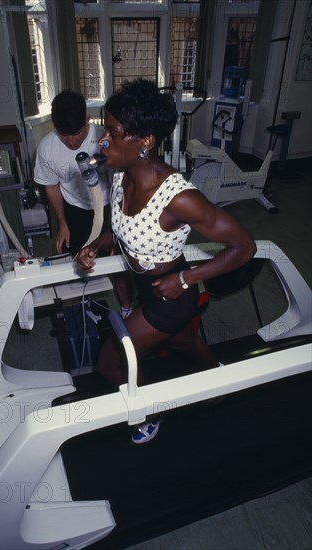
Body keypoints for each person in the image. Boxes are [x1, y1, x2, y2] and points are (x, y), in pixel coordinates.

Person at [77, 79, 256, 444]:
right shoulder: (121, 177)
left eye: (112, 132)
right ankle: (219, 379)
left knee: (109, 363)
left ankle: (150, 411)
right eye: (104, 130)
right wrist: (96, 244)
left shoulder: (180, 198)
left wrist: (188, 278)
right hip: (148, 289)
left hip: (172, 298)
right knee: (182, 344)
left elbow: (244, 247)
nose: (102, 141)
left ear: (145, 141)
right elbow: (122, 229)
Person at [34, 89, 133, 315]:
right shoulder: (48, 148)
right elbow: (51, 185)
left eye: (76, 134)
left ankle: (127, 309)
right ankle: (87, 309)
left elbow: (126, 185)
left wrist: (116, 228)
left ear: (87, 119)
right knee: (81, 262)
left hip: (111, 205)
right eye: (63, 134)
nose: (70, 141)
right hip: (75, 209)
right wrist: (62, 224)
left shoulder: (106, 141)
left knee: (118, 262)